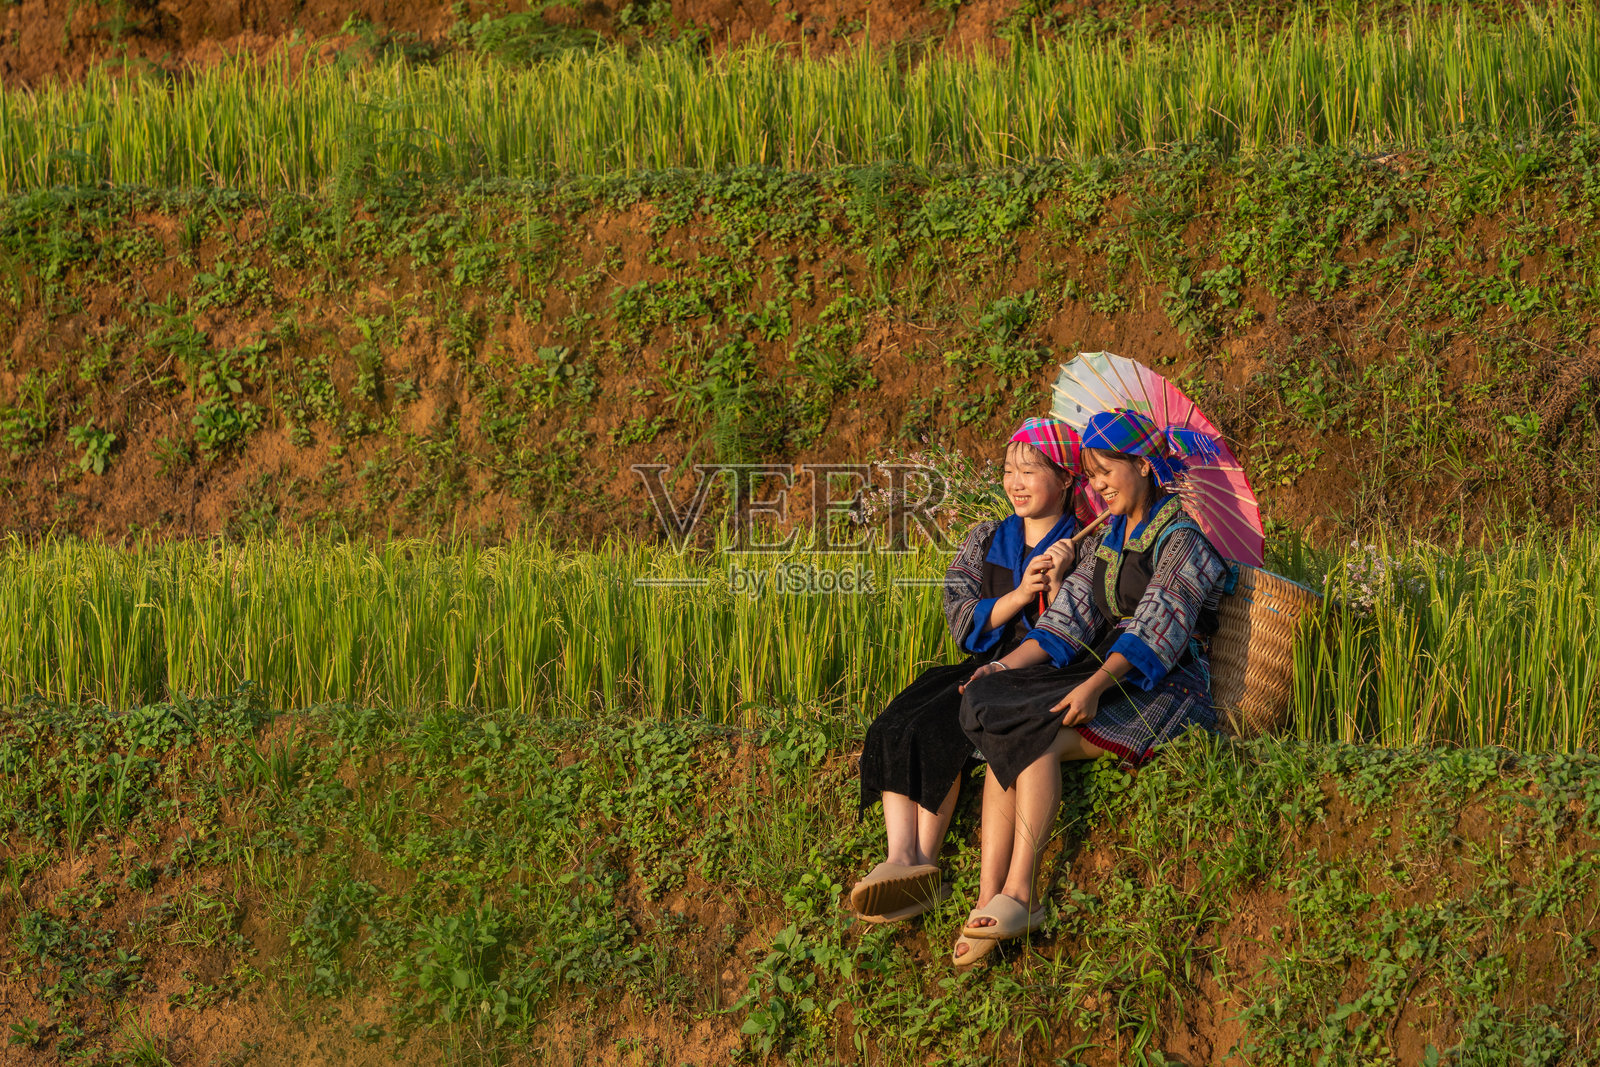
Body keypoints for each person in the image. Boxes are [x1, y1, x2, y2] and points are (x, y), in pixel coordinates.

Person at [951, 409, 1230, 967]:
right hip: (1102, 670)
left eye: (1107, 470)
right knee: (988, 700)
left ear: (1145, 468)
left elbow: (1158, 627)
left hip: (1161, 685)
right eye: (1092, 472)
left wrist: (1096, 687)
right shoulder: (1105, 537)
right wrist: (1003, 670)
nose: (1097, 484)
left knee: (1037, 735)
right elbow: (1067, 621)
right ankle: (987, 897)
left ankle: (1022, 895)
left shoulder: (1184, 540)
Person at [851, 417, 1084, 922]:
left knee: (945, 726)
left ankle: (925, 860)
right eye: (1007, 471)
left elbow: (1072, 632)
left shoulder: (1086, 545)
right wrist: (1020, 594)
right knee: (900, 720)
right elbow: (959, 613)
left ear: (1066, 478)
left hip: (1035, 669)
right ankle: (902, 858)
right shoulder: (986, 537)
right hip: (984, 661)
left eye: (1029, 471)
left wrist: (1058, 580)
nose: (1015, 484)